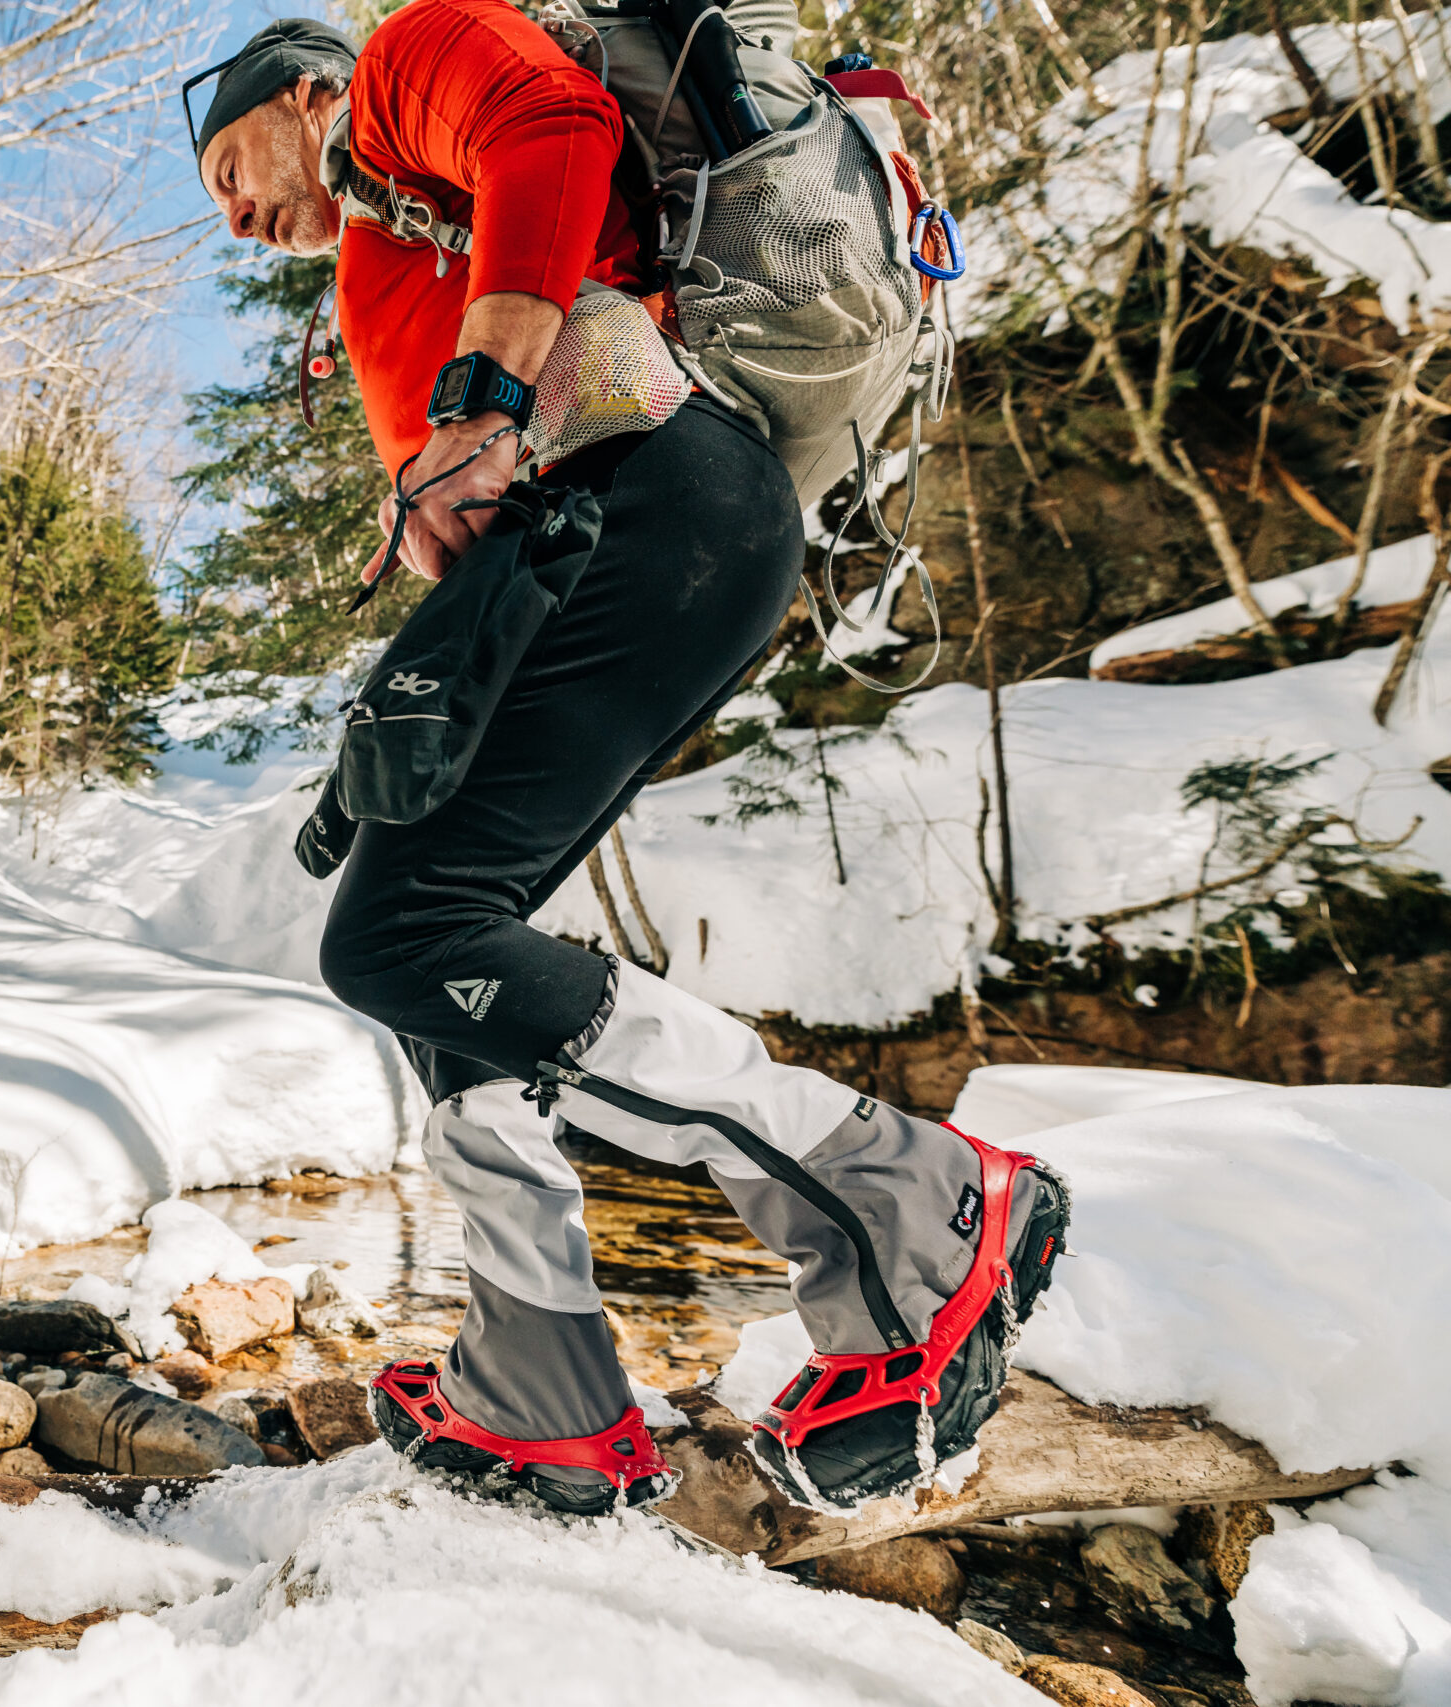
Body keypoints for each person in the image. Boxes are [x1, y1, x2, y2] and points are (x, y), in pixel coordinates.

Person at [192, 6, 1069, 1514]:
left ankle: (915, 1200)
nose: (235, 208)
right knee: (432, 945)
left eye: (231, 160)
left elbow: (552, 130)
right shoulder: (385, 235)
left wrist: (474, 399)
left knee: (401, 934)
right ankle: (541, 1377)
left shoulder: (400, 66)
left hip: (656, 499)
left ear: (306, 90)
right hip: (622, 533)